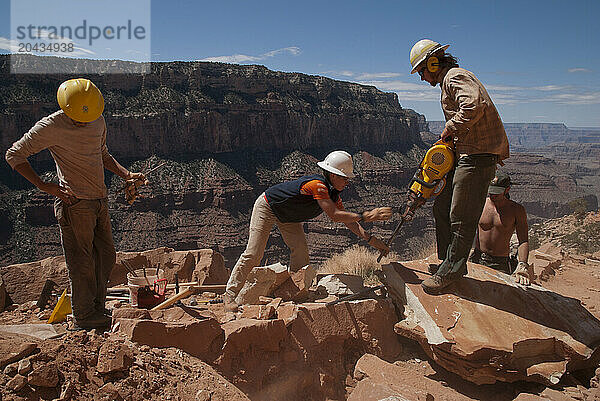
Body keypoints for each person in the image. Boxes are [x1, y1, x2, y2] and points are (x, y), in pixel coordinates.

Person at [5, 78, 146, 330]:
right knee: (81, 262)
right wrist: (43, 185)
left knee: (105, 256)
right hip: (74, 203)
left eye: (88, 116)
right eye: (78, 117)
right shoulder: (51, 126)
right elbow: (14, 154)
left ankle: (97, 309)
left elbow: (101, 153)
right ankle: (84, 316)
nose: (84, 121)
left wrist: (126, 174)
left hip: (99, 199)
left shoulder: (97, 119)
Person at [224, 150, 392, 311]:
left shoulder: (333, 195)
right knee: (254, 253)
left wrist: (371, 240)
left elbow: (347, 221)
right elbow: (334, 215)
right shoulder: (317, 186)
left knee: (301, 252)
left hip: (289, 217)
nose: (347, 182)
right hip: (268, 207)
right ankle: (230, 295)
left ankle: (294, 292)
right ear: (333, 175)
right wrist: (367, 215)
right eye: (345, 178)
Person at [409, 39, 510, 294]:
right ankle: (448, 263)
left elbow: (473, 105)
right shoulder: (448, 81)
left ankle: (452, 271)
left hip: (478, 156)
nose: (422, 78)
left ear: (433, 63)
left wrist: (450, 128)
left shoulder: (455, 77)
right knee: (442, 207)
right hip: (465, 153)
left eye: (422, 71)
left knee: (461, 215)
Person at [470, 171, 531, 285]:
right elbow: (465, 228)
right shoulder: (480, 204)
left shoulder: (516, 210)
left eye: (496, 193)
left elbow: (523, 240)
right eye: (490, 192)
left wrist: (522, 265)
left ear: (507, 190)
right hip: (477, 258)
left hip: (499, 262)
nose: (492, 196)